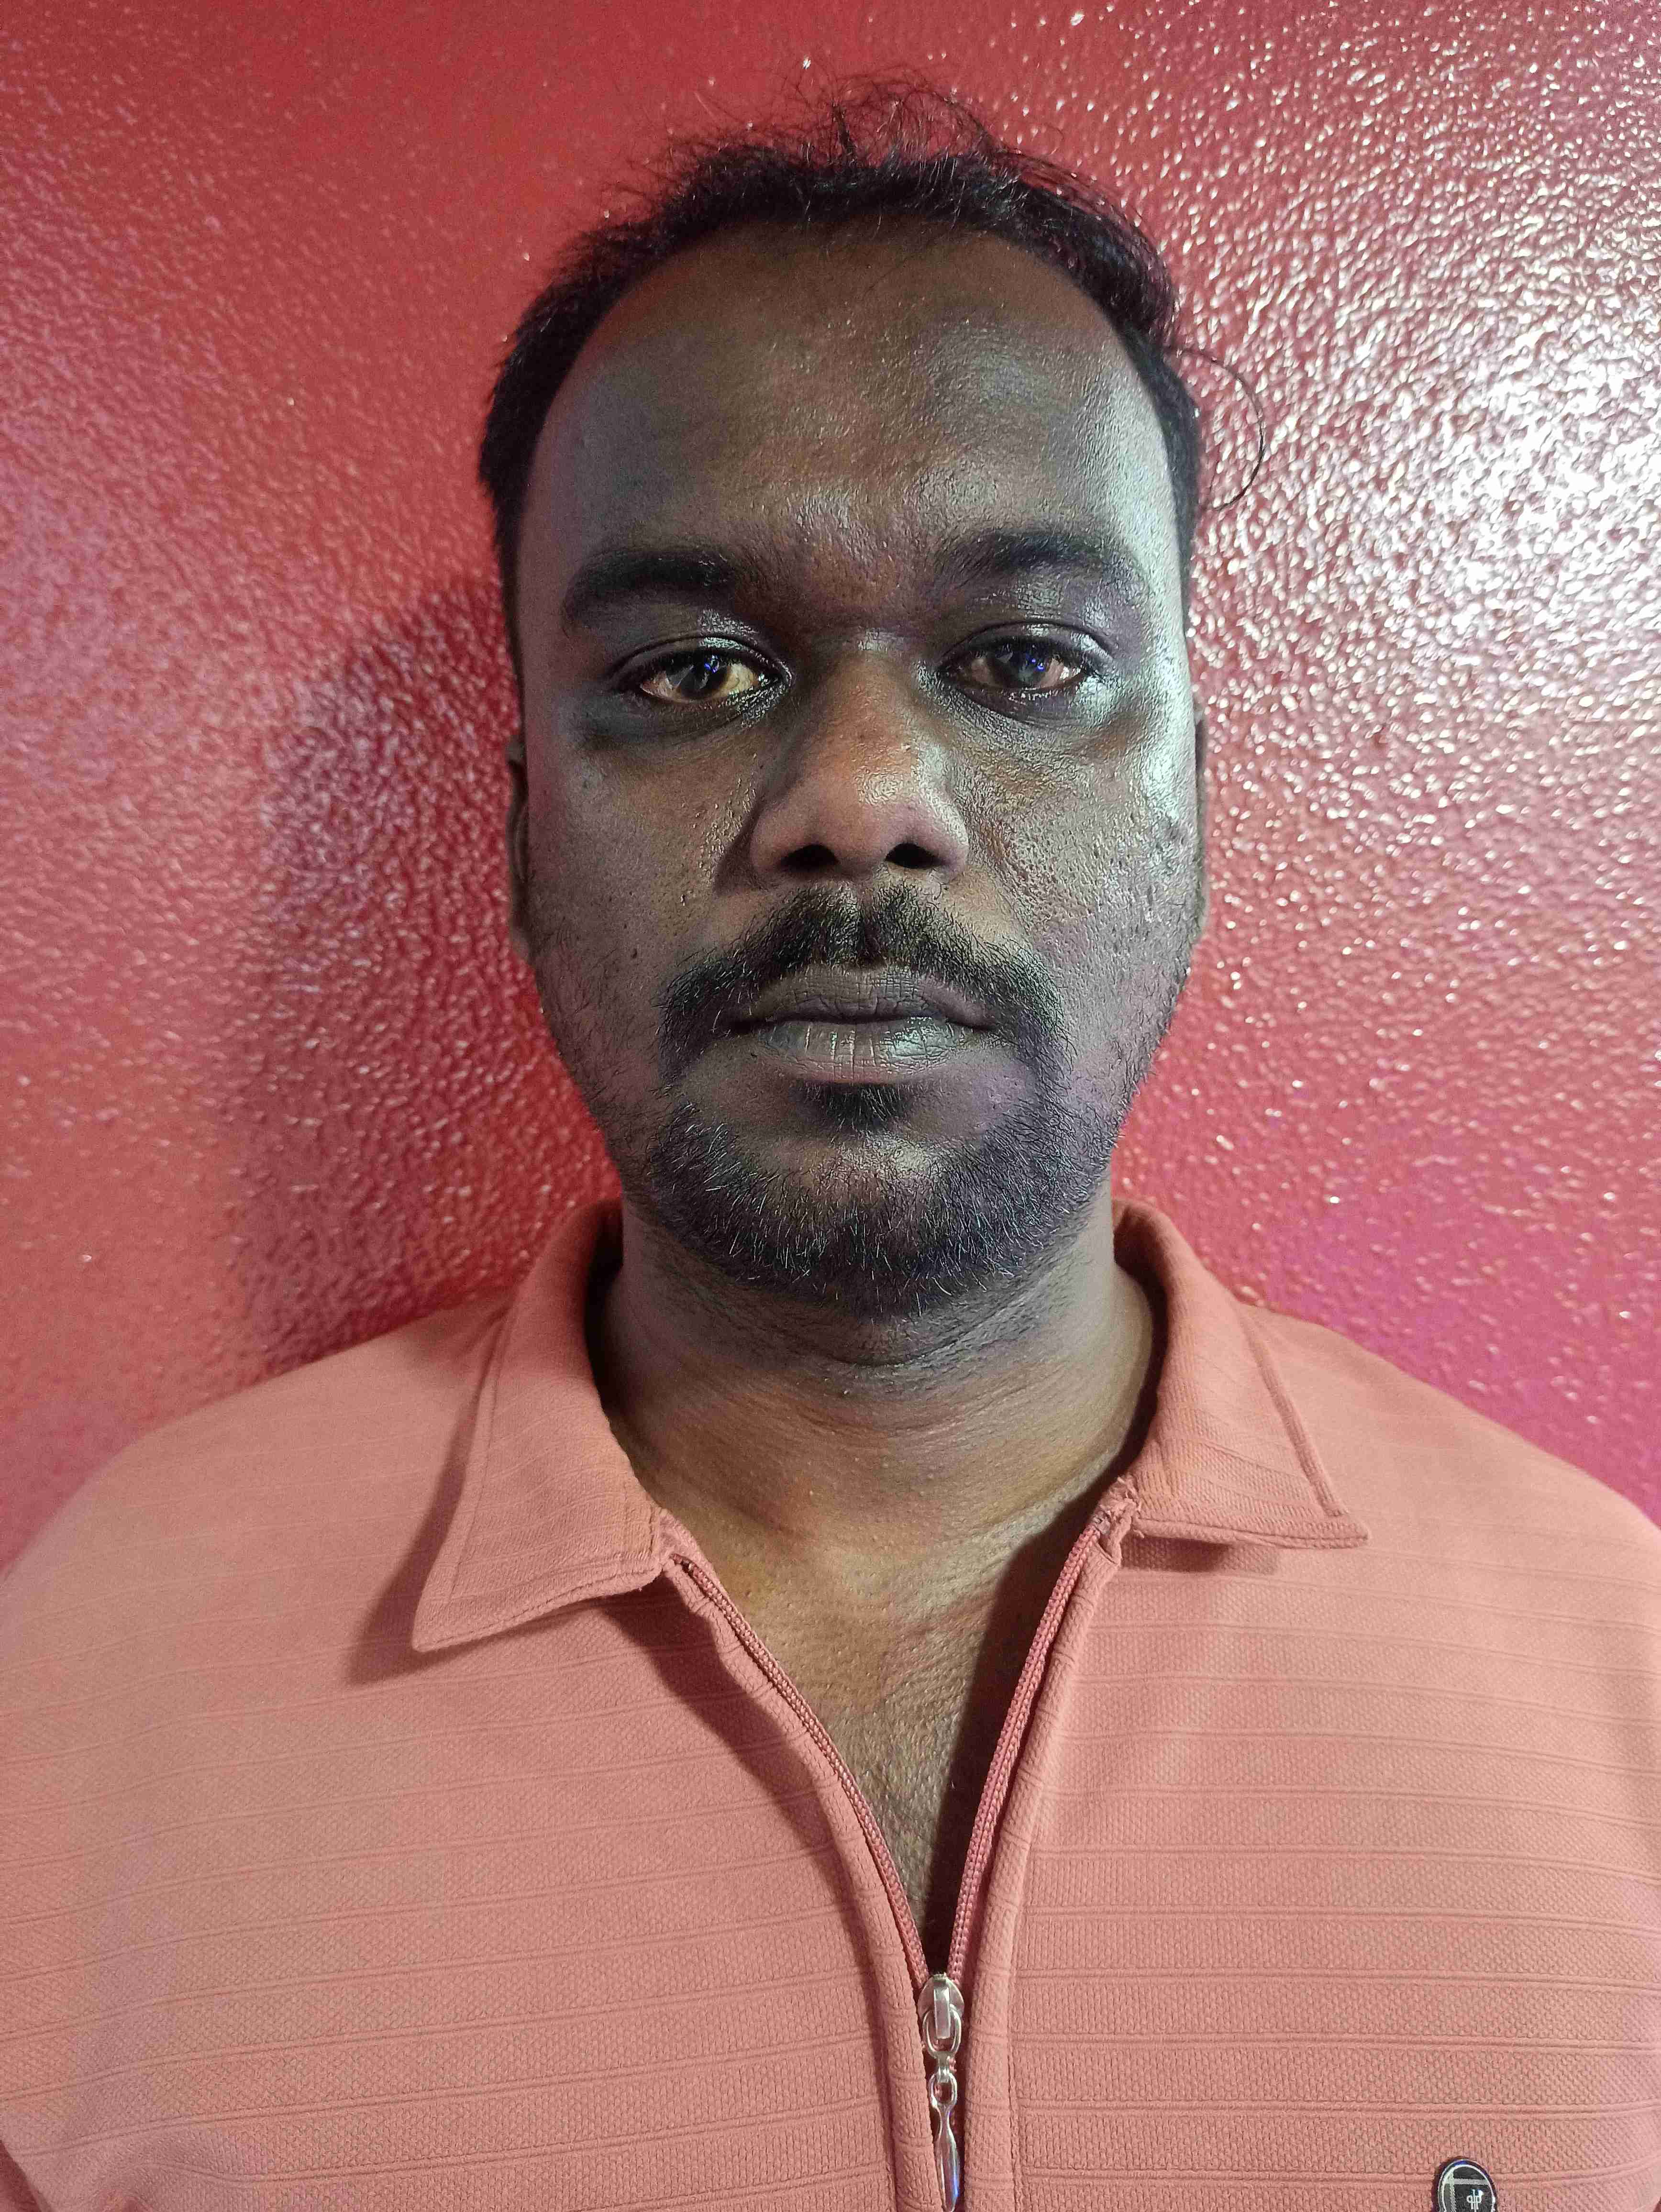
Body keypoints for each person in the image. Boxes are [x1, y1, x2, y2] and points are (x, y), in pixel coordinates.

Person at [2, 83, 1657, 2212]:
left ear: (1189, 793)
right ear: (521, 826)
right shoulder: (85, 1703)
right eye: (694, 670)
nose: (864, 796)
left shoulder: (1615, 1686)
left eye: (1025, 661)